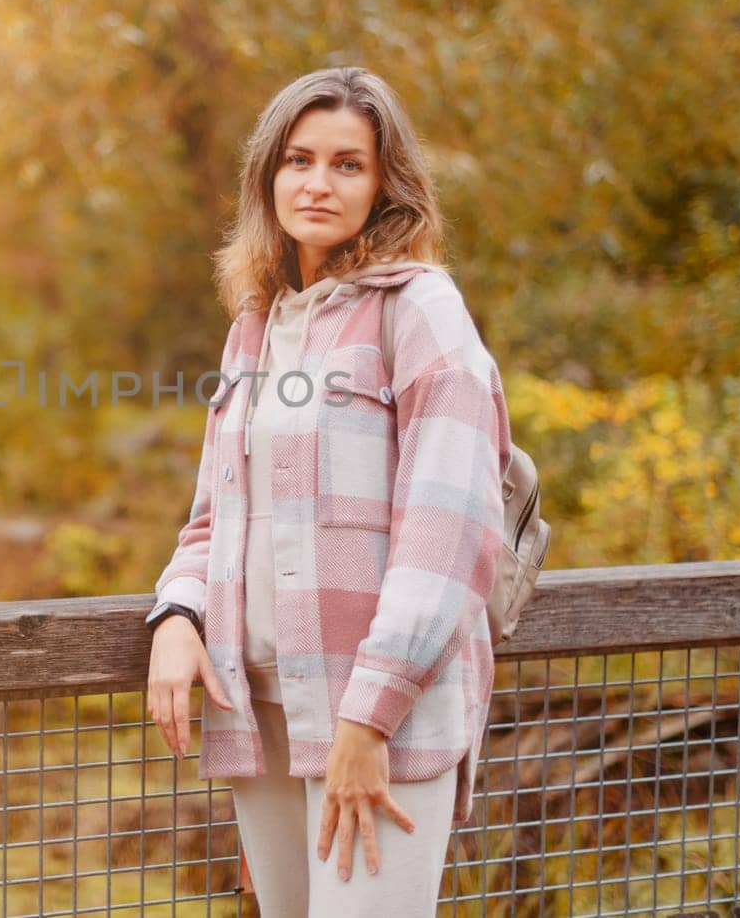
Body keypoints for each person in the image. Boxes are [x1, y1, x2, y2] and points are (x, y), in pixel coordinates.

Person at [144, 66, 512, 916]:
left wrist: (368, 719)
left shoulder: (422, 313)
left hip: (380, 717)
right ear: (267, 174)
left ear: (386, 184)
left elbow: (448, 538)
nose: (318, 182)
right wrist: (175, 616)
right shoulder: (256, 328)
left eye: (348, 164)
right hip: (259, 712)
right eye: (299, 159)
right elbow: (212, 523)